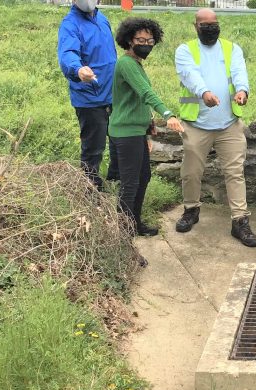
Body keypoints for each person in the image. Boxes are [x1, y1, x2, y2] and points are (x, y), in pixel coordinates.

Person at [174, 9, 256, 247]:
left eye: (214, 23)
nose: (210, 27)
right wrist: (204, 93)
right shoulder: (185, 50)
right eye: (205, 24)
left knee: (235, 173)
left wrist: (242, 90)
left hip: (229, 124)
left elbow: (239, 72)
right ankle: (191, 209)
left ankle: (239, 221)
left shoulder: (232, 48)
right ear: (196, 26)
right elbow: (189, 75)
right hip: (196, 125)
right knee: (191, 173)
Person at [109, 18, 184, 236]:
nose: (146, 44)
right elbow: (145, 92)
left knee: (143, 178)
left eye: (150, 40)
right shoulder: (126, 64)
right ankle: (122, 234)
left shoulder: (135, 64)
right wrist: (167, 114)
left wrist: (149, 124)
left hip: (136, 131)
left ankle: (134, 224)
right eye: (140, 39)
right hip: (125, 133)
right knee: (130, 184)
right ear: (129, 40)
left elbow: (135, 99)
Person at [58, 0, 118, 191]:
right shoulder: (70, 24)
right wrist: (78, 69)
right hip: (90, 98)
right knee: (93, 148)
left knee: (118, 141)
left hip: (112, 93)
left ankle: (116, 182)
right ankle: (90, 192)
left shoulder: (102, 19)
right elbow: (67, 53)